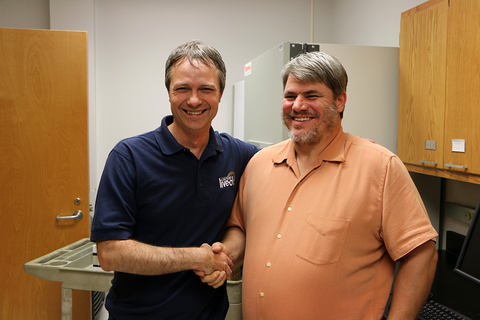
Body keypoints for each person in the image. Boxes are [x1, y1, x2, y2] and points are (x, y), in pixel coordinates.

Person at [201, 51, 438, 320]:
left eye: (311, 96)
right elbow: (241, 227)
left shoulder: (380, 168)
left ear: (340, 101)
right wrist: (226, 255)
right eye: (290, 96)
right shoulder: (260, 163)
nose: (298, 105)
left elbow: (421, 255)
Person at [90, 40, 258, 319]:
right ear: (168, 92)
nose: (194, 100)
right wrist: (197, 257)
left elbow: (239, 224)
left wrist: (224, 256)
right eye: (183, 89)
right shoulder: (129, 156)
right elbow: (110, 253)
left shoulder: (240, 155)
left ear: (220, 94)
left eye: (206, 89)